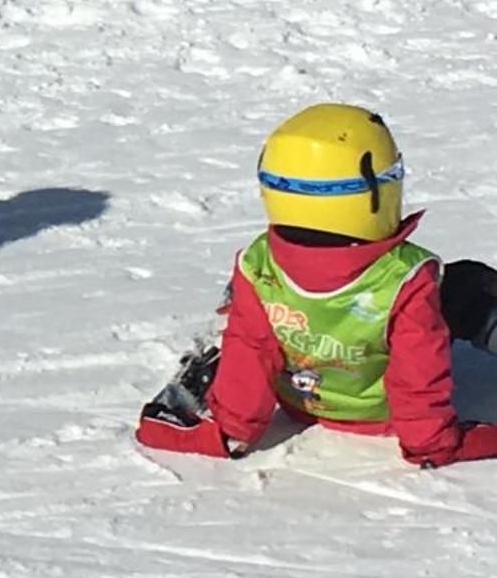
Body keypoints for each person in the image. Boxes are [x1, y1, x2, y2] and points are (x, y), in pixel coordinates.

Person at [138, 103, 497, 468]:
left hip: (300, 403)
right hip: (379, 412)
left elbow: (252, 350)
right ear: (372, 192)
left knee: (249, 311)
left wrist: (217, 430)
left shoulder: (257, 263)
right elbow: (416, 379)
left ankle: (212, 362)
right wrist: (433, 441)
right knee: (466, 285)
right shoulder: (406, 276)